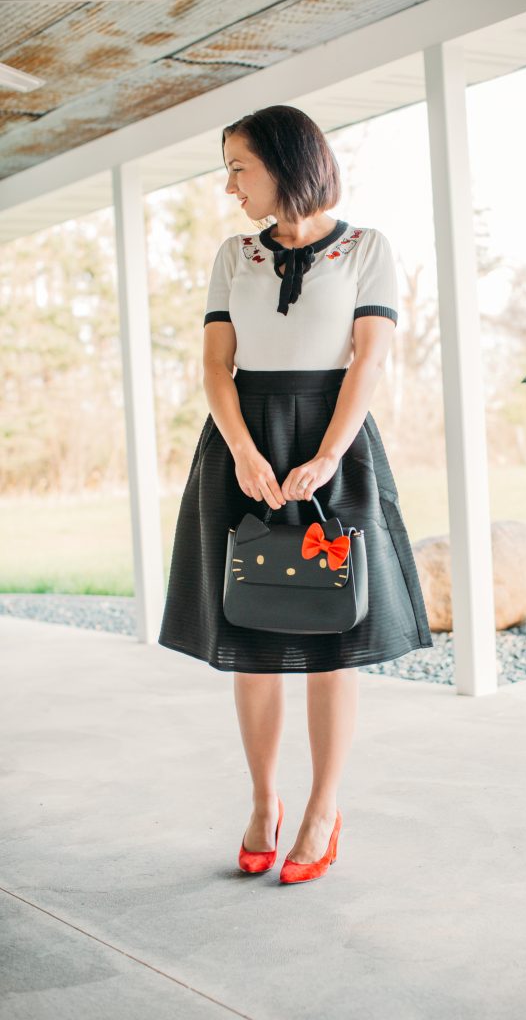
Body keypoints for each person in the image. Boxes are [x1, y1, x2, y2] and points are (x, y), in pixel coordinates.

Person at [158, 104, 433, 884]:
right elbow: (216, 367)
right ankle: (262, 802)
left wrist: (324, 458)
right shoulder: (233, 255)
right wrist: (244, 452)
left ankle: (322, 808)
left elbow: (367, 363)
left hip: (332, 449)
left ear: (283, 162)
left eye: (238, 167)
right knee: (250, 635)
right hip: (241, 448)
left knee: (329, 641)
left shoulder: (366, 248)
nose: (228, 185)